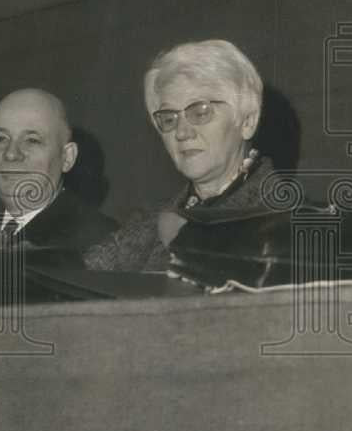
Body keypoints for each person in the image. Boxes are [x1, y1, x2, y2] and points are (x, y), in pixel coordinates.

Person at [84, 40, 274, 272]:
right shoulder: (147, 225)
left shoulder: (284, 219)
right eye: (169, 117)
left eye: (201, 111)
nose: (182, 132)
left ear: (247, 121)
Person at [0, 88, 118, 257]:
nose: (11, 154)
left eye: (32, 140)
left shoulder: (105, 243)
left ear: (67, 157)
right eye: (1, 139)